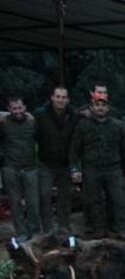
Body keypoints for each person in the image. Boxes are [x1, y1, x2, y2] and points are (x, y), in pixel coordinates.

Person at [68, 93, 125, 240]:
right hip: (91, 168)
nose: (100, 108)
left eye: (103, 105)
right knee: (94, 201)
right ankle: (98, 230)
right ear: (92, 107)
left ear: (108, 107)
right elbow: (75, 149)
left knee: (119, 200)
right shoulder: (83, 125)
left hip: (114, 168)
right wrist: (75, 168)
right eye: (97, 105)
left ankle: (121, 229)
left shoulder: (118, 125)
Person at [35, 86, 77, 234]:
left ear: (68, 100)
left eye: (63, 97)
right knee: (44, 196)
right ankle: (47, 229)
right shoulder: (40, 114)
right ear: (52, 98)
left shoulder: (74, 115)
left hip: (65, 164)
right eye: (58, 96)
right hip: (45, 163)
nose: (60, 100)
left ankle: (63, 227)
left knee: (64, 198)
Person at [1, 96, 41, 240]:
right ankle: (21, 233)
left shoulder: (32, 122)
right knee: (15, 203)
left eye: (20, 108)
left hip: (30, 168)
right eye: (14, 108)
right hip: (11, 169)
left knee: (33, 203)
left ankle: (35, 231)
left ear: (25, 108)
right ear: (9, 110)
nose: (17, 111)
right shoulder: (4, 123)